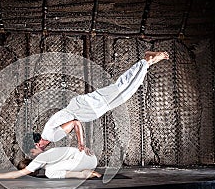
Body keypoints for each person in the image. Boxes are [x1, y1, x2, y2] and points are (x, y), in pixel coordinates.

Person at [30, 51, 169, 157]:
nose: (34, 154)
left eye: (33, 151)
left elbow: (75, 123)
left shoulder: (49, 136)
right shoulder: (48, 133)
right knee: (122, 92)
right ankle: (147, 62)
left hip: (85, 108)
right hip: (84, 107)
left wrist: (81, 144)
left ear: (37, 144)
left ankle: (146, 61)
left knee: (121, 89)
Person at [0, 147, 101, 180]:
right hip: (91, 159)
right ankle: (86, 173)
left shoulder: (39, 160)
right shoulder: (47, 158)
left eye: (30, 173)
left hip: (85, 160)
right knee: (52, 170)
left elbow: (15, 175)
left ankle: (84, 175)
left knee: (50, 173)